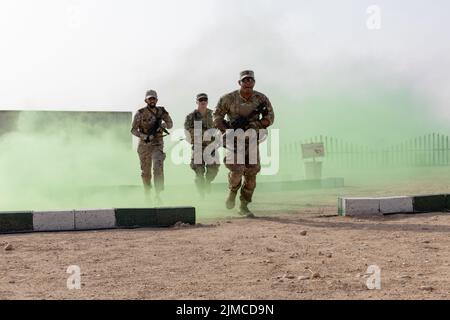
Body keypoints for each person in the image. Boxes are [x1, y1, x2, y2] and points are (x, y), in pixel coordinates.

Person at [213, 70, 275, 217]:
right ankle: (233, 191)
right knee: (236, 170)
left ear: (254, 82)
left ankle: (244, 206)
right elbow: (217, 115)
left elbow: (270, 117)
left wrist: (256, 124)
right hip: (233, 140)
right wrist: (224, 129)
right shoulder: (228, 98)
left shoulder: (261, 99)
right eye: (245, 80)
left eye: (250, 80)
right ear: (239, 82)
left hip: (252, 141)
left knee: (251, 177)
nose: (248, 83)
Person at [131, 89, 173, 203]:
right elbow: (133, 130)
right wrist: (144, 136)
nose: (152, 100)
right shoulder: (140, 113)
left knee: (158, 168)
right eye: (150, 98)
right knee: (146, 172)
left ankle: (158, 194)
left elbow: (170, 124)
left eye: (154, 98)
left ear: (157, 100)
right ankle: (147, 194)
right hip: (144, 145)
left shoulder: (161, 112)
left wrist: (162, 126)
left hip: (157, 144)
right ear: (146, 100)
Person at [184, 93, 220, 197]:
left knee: (213, 169)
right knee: (199, 172)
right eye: (200, 100)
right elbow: (187, 130)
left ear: (207, 101)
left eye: (205, 99)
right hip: (198, 147)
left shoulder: (213, 115)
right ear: (197, 102)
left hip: (211, 147)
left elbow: (219, 128)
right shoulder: (191, 116)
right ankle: (201, 193)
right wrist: (201, 134)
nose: (203, 101)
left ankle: (208, 182)